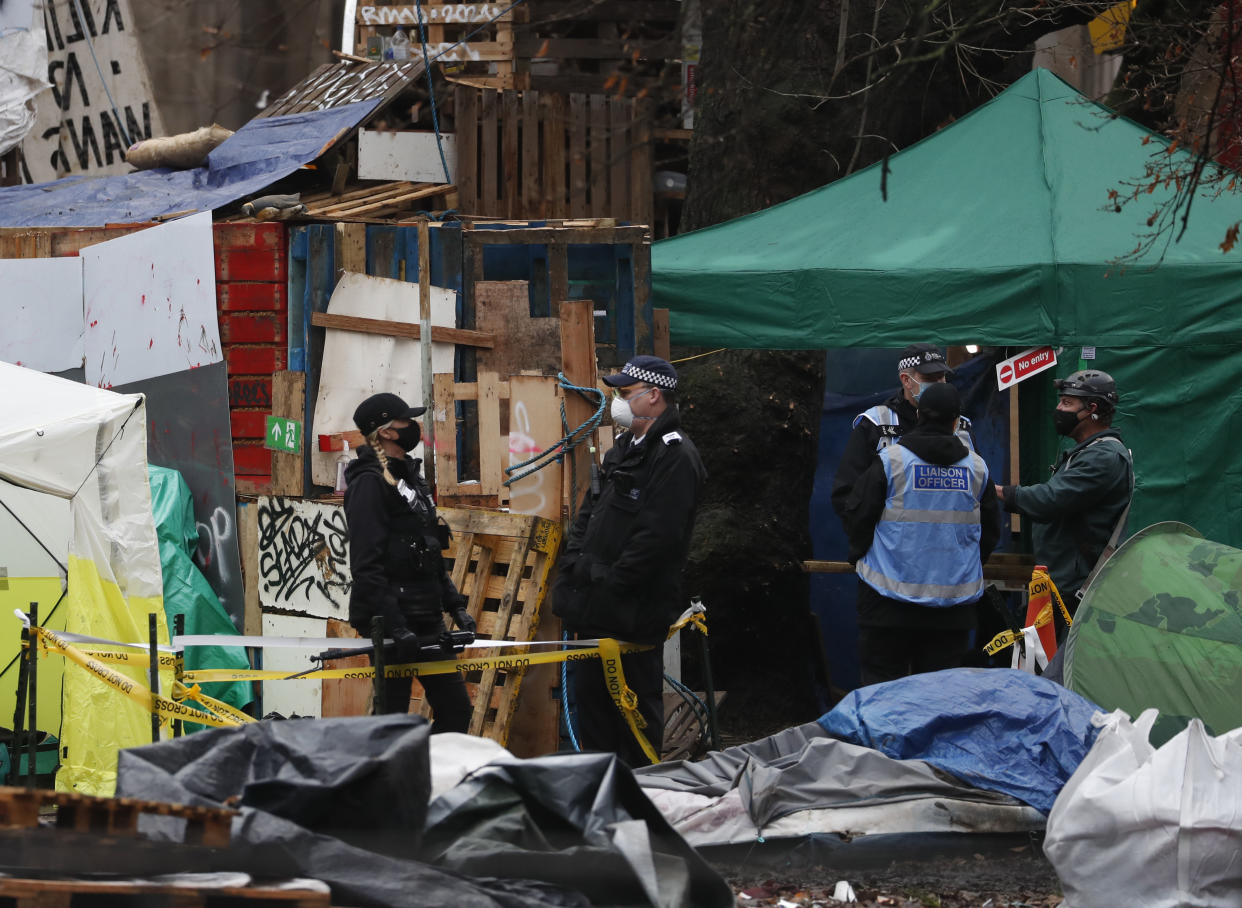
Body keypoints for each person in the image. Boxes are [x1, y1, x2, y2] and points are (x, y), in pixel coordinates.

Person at [552, 355, 706, 766]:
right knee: (594, 721)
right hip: (595, 610)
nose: (617, 403)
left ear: (654, 396)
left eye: (624, 394)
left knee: (633, 721)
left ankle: (641, 808)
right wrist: (574, 569)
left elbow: (658, 539)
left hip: (631, 613)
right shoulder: (624, 448)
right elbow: (590, 513)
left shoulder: (675, 456)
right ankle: (602, 807)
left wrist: (609, 583)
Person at [842, 382, 1000, 685]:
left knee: (882, 692)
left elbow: (857, 516)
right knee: (939, 699)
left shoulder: (891, 462)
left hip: (886, 602)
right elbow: (989, 531)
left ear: (919, 416)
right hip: (951, 610)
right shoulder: (977, 469)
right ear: (956, 422)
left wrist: (859, 556)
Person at [343, 391, 474, 731]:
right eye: (406, 421)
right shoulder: (369, 484)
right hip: (389, 623)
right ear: (386, 431)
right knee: (393, 721)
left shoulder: (411, 478)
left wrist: (456, 606)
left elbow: (430, 550)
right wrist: (394, 625)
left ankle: (434, 776)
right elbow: (366, 565)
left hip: (427, 616)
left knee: (456, 710)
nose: (414, 426)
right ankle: (390, 780)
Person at [996, 370, 1133, 636]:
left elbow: (1050, 500)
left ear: (1092, 409)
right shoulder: (1088, 451)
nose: (1058, 409)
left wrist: (999, 492)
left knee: (1056, 670)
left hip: (1073, 591)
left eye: (1067, 403)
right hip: (1060, 583)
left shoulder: (1103, 457)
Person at [831, 343, 974, 523]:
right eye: (930, 378)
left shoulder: (962, 426)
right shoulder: (876, 424)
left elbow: (980, 494)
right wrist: (874, 542)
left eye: (942, 377)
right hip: (894, 548)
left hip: (952, 547)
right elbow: (847, 495)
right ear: (906, 380)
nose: (938, 384)